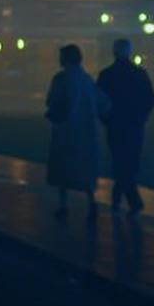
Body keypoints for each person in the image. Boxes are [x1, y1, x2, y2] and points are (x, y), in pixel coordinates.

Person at [45, 44, 110, 221]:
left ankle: (63, 205)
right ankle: (91, 202)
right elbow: (103, 103)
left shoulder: (60, 79)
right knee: (85, 171)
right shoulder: (86, 80)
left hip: (65, 131)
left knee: (63, 169)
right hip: (86, 132)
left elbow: (51, 101)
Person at [96, 39, 154, 215]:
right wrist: (142, 117)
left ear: (113, 52)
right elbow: (150, 99)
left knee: (119, 161)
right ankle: (128, 201)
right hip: (134, 125)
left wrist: (106, 119)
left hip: (115, 125)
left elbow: (99, 101)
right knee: (130, 163)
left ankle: (122, 200)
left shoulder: (106, 75)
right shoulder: (139, 74)